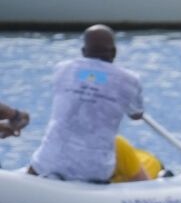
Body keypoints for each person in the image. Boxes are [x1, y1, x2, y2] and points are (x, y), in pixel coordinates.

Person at [26, 25, 148, 184]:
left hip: (49, 161)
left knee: (39, 163)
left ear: (84, 51)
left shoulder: (62, 69)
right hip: (95, 169)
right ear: (114, 52)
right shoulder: (130, 80)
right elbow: (136, 115)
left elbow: (91, 78)